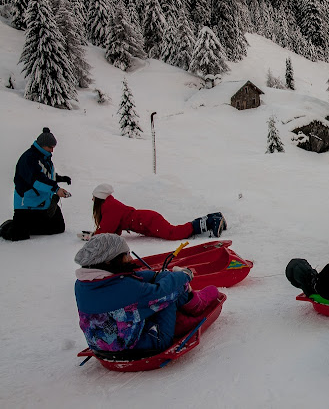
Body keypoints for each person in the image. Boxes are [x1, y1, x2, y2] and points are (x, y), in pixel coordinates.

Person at [74, 234, 220, 354]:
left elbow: (125, 280)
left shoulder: (82, 285)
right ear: (110, 261)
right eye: (126, 254)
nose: (130, 258)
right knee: (169, 293)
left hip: (101, 347)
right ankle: (194, 306)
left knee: (154, 291)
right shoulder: (127, 288)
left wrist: (156, 276)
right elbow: (162, 292)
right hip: (143, 345)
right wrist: (184, 275)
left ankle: (186, 304)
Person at [1, 127, 72, 241]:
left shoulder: (45, 157)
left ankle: (29, 224)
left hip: (42, 201)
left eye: (53, 147)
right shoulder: (28, 158)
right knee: (18, 235)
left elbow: (46, 175)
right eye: (50, 147)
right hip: (27, 204)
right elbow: (37, 180)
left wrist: (60, 178)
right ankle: (11, 225)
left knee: (58, 227)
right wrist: (56, 189)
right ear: (42, 145)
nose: (52, 150)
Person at [87, 183, 226, 240]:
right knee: (174, 231)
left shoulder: (109, 206)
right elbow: (113, 229)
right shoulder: (110, 204)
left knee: (174, 233)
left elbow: (107, 229)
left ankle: (210, 221)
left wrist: (93, 237)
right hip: (146, 221)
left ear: (99, 198)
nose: (92, 200)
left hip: (148, 221)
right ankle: (214, 217)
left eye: (93, 197)